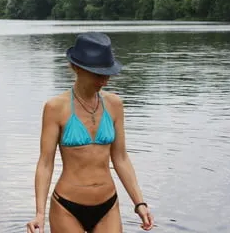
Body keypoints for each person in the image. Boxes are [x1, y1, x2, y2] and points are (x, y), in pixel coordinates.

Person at [27, 32, 154, 233]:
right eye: (98, 74)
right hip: (66, 207)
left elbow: (120, 158)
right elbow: (45, 163)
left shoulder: (115, 105)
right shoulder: (55, 108)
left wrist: (140, 203)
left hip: (108, 205)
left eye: (107, 73)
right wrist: (40, 214)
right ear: (76, 67)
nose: (105, 80)